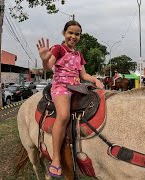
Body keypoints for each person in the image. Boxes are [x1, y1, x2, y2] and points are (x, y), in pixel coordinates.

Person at [36, 20, 104, 177]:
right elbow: (48, 66)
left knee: (97, 102)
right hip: (61, 87)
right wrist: (45, 58)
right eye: (70, 33)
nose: (73, 36)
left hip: (77, 87)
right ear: (64, 33)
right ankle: (56, 159)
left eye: (77, 34)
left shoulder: (79, 54)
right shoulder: (59, 48)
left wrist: (94, 80)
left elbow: (83, 75)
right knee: (64, 115)